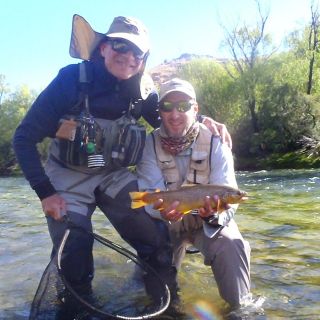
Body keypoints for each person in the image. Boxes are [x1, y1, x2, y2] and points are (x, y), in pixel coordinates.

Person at [13, 14, 232, 316]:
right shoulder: (70, 80)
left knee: (155, 238)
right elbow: (23, 138)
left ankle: (165, 306)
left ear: (143, 59)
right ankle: (81, 310)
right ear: (103, 47)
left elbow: (174, 121)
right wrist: (45, 193)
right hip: (66, 179)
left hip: (112, 175)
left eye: (137, 53)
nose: (128, 57)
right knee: (75, 251)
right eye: (120, 46)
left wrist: (206, 121)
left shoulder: (142, 92)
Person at [136, 78, 251, 312]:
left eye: (183, 106)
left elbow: (228, 189)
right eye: (167, 107)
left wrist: (212, 216)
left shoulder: (217, 140)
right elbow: (149, 194)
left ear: (195, 109)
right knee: (148, 275)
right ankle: (167, 309)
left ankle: (240, 309)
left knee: (232, 244)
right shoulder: (149, 144)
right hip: (168, 223)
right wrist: (162, 212)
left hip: (206, 222)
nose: (175, 114)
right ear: (160, 112)